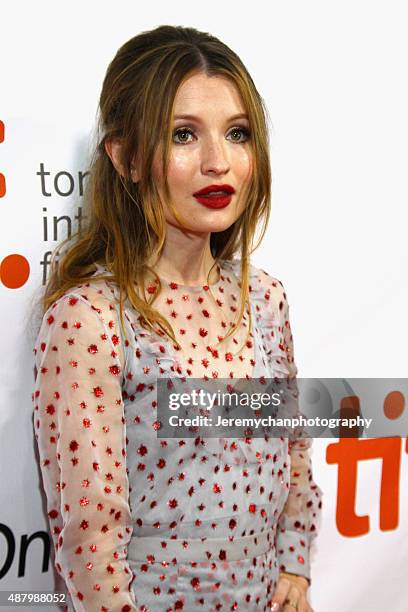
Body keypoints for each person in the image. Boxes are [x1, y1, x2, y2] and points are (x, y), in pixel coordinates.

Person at [32, 25, 323, 612]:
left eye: (237, 133)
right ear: (127, 157)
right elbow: (91, 539)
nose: (219, 162)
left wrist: (295, 565)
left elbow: (292, 451)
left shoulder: (265, 300)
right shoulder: (89, 320)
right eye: (183, 134)